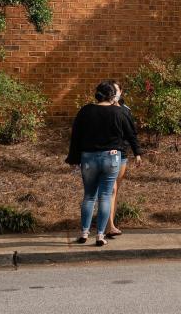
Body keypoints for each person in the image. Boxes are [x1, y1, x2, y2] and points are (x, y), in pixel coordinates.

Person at [66, 80, 142, 246]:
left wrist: (73, 158)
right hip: (112, 157)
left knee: (89, 196)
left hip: (88, 157)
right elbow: (131, 134)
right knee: (106, 196)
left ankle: (84, 233)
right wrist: (137, 153)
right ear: (112, 95)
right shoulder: (119, 112)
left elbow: (76, 136)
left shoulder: (86, 111)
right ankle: (100, 235)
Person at [106, 81, 137, 238]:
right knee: (110, 190)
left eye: (116, 90)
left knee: (115, 191)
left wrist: (137, 152)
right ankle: (109, 225)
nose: (114, 93)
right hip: (106, 154)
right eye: (112, 91)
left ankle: (110, 223)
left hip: (122, 154)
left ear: (121, 91)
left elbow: (131, 132)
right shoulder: (103, 109)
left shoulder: (125, 110)